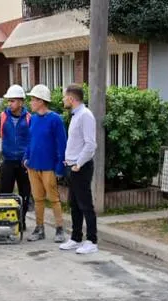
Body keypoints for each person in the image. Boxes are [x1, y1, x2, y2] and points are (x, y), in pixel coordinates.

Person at [22, 84, 67, 242]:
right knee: (38, 198)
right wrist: (26, 157)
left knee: (54, 199)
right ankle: (39, 228)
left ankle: (60, 229)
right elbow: (29, 140)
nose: (31, 103)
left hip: (49, 167)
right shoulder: (33, 119)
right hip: (33, 166)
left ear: (41, 101)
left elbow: (62, 144)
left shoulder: (55, 119)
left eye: (33, 99)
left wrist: (60, 167)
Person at [60, 84, 99, 255]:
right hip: (72, 165)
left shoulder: (85, 115)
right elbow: (76, 142)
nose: (63, 100)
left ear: (71, 98)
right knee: (74, 204)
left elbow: (91, 144)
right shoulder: (76, 115)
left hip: (80, 167)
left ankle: (92, 240)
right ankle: (76, 237)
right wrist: (68, 160)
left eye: (64, 97)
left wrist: (78, 163)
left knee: (85, 204)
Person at [0, 84, 33, 230]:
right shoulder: (3, 116)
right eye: (8, 101)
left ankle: (21, 220)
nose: (9, 104)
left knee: (25, 193)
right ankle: (5, 220)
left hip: (23, 162)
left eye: (12, 101)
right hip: (8, 160)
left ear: (21, 102)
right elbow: (1, 135)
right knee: (4, 192)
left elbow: (31, 139)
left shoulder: (30, 118)